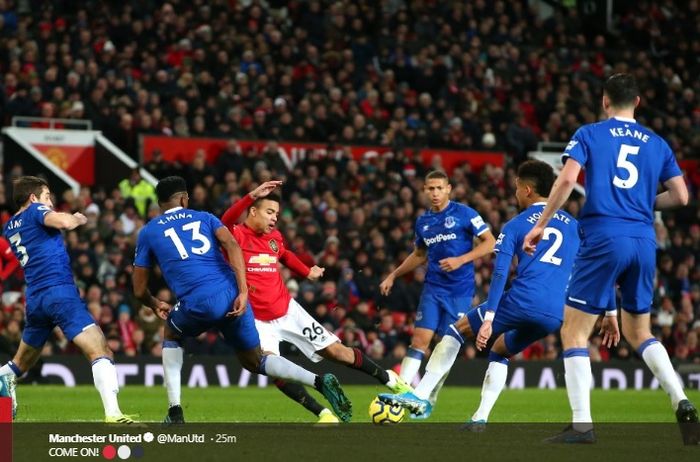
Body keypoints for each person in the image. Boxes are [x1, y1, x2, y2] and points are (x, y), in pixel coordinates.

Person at [522, 73, 697, 443]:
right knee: (641, 332)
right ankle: (681, 399)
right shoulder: (657, 142)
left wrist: (541, 223)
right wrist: (643, 203)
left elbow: (568, 181)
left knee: (573, 331)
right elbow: (681, 196)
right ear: (637, 102)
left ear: (604, 102)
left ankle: (582, 425)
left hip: (603, 236)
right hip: (644, 240)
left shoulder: (589, 133)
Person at [132, 176, 352, 424]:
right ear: (185, 199)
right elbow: (233, 246)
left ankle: (175, 412)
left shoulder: (149, 231)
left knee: (171, 334)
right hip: (232, 294)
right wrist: (243, 291)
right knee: (256, 361)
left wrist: (154, 303)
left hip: (197, 301)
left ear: (160, 203)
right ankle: (318, 381)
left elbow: (139, 289)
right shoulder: (205, 217)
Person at [378, 161, 579, 426]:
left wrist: (489, 318)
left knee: (456, 330)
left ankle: (420, 395)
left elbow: (499, 274)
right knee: (500, 350)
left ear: (528, 190)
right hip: (555, 312)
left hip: (521, 300)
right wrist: (607, 310)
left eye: (517, 188)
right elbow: (593, 270)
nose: (515, 193)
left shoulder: (516, 224)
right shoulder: (575, 226)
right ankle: (480, 417)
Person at [220, 181, 413, 423]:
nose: (274, 219)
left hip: (287, 309)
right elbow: (224, 220)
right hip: (256, 319)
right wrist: (251, 195)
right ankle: (323, 413)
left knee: (337, 352)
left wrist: (306, 272)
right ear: (253, 211)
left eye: (277, 214)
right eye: (270, 212)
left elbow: (285, 255)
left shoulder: (274, 237)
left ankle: (390, 380)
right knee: (273, 367)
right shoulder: (235, 235)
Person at [0, 176, 135, 423]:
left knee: (19, 364)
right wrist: (77, 218)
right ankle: (113, 414)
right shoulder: (35, 211)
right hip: (58, 292)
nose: (50, 202)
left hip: (35, 299)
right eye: (47, 196)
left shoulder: (9, 226)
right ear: (33, 198)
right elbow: (62, 221)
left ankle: (3, 377)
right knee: (100, 349)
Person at [379, 169, 496, 417]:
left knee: (445, 346)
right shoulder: (423, 222)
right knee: (418, 341)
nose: (434, 193)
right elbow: (419, 255)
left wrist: (461, 259)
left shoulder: (465, 214)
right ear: (424, 190)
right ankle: (401, 393)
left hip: (460, 292)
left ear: (448, 189)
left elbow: (490, 242)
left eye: (439, 188)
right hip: (433, 287)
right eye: (430, 188)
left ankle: (429, 397)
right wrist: (393, 275)